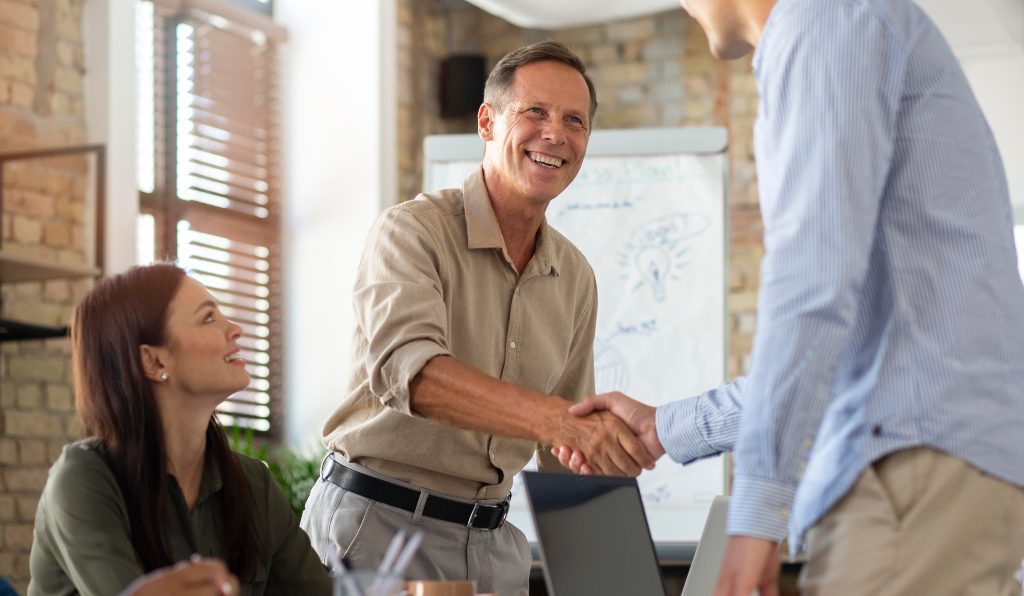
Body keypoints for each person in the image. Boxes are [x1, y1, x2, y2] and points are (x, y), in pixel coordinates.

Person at [557, 0, 1024, 594]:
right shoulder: (842, 25)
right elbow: (846, 344)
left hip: (910, 475)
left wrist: (755, 518)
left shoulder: (823, 22)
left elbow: (812, 286)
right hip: (937, 471)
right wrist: (664, 429)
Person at [300, 40, 656, 595]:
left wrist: (623, 447)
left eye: (575, 121)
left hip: (493, 546)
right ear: (487, 122)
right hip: (378, 528)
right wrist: (560, 422)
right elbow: (414, 376)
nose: (555, 134)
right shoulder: (412, 232)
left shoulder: (576, 275)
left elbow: (566, 446)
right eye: (535, 111)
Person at [28, 263, 331, 596]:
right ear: (155, 361)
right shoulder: (84, 478)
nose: (235, 329)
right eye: (208, 318)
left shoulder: (253, 485)